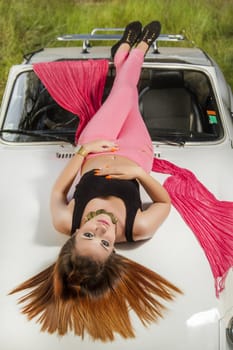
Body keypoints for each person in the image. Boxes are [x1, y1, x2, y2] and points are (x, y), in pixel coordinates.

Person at [9, 21, 182, 342]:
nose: (102, 229)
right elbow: (164, 203)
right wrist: (141, 174)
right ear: (115, 251)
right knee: (126, 95)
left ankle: (137, 51)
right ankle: (124, 56)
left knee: (126, 92)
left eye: (89, 233)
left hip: (97, 142)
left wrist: (82, 151)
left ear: (73, 235)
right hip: (138, 153)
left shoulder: (64, 219)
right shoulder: (137, 228)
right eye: (105, 242)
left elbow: (59, 190)